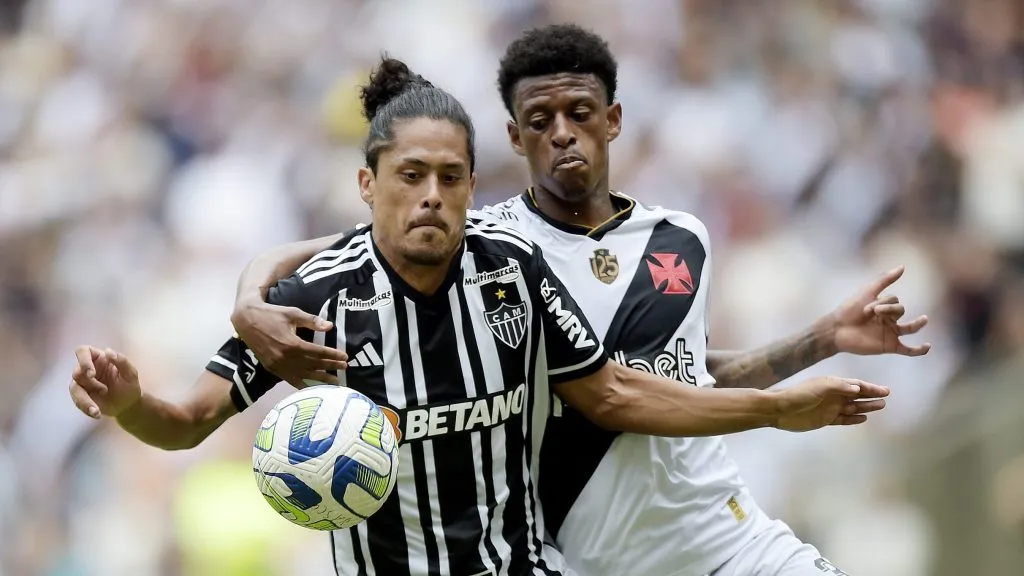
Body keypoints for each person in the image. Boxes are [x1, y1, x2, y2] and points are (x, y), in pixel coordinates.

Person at [69, 57, 890, 576]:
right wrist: (131, 401)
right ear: (369, 186)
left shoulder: (512, 268)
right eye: (411, 174)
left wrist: (786, 391)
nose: (432, 194)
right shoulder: (317, 300)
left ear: (473, 185)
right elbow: (181, 425)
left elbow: (615, 392)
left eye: (451, 177)